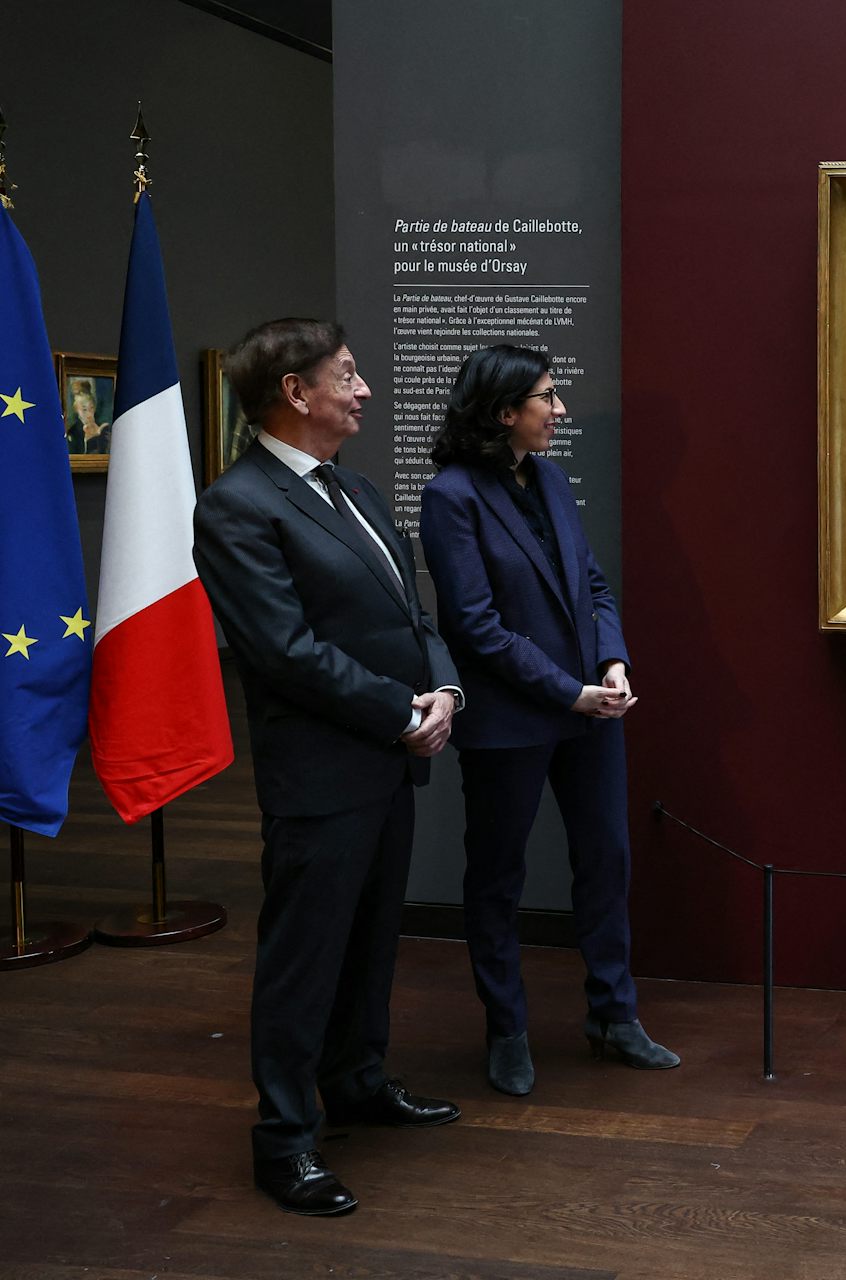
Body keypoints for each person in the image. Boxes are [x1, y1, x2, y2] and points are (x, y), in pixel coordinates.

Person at [193, 318, 465, 1218]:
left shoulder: (357, 489)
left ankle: (356, 1084)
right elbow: (283, 651)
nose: (365, 391)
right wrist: (400, 713)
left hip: (388, 761)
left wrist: (444, 693)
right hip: (321, 774)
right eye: (347, 376)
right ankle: (283, 1141)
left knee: (370, 940)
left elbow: (410, 614)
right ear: (294, 394)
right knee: (302, 962)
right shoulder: (238, 505)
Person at [419, 345, 677, 1098]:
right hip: (512, 720)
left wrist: (613, 662)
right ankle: (506, 1031)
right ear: (506, 413)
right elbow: (474, 628)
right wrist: (568, 691)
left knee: (607, 860)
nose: (561, 410)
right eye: (548, 397)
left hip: (592, 708)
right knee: (497, 877)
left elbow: (592, 583)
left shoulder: (553, 479)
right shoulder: (450, 496)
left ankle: (614, 1017)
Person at [66, 380, 111, 453]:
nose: (89, 413)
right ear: (77, 409)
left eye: (91, 408)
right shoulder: (73, 434)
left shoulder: (102, 428)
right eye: (84, 409)